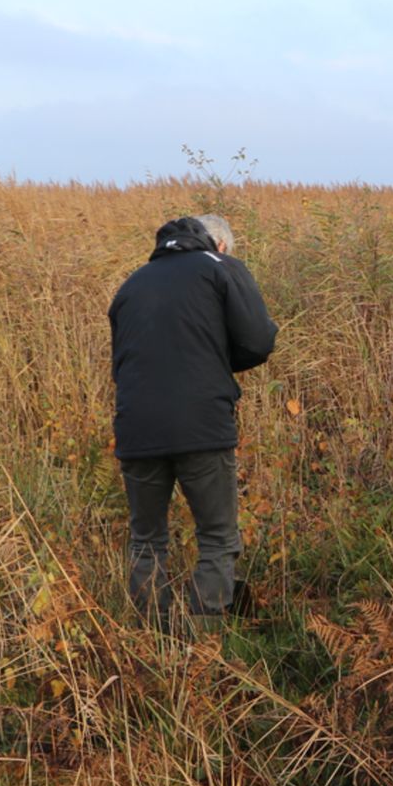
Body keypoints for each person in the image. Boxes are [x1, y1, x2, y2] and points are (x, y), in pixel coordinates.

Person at [109, 213, 277, 634]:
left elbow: (121, 362)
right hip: (201, 424)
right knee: (218, 537)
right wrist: (218, 364)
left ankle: (151, 642)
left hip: (136, 427)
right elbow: (258, 340)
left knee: (147, 540)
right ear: (218, 244)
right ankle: (202, 648)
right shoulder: (220, 268)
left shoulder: (131, 284)